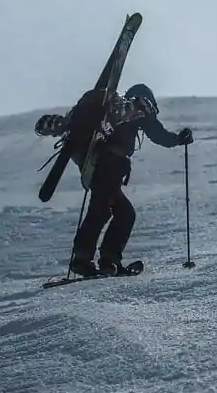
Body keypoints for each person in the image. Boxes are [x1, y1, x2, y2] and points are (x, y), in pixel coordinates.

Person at [34, 83, 193, 276]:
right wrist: (178, 139)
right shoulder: (127, 110)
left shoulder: (122, 112)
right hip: (108, 164)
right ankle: (87, 260)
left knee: (122, 213)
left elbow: (158, 134)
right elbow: (159, 135)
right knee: (103, 209)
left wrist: (177, 139)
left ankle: (104, 261)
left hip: (100, 165)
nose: (145, 108)